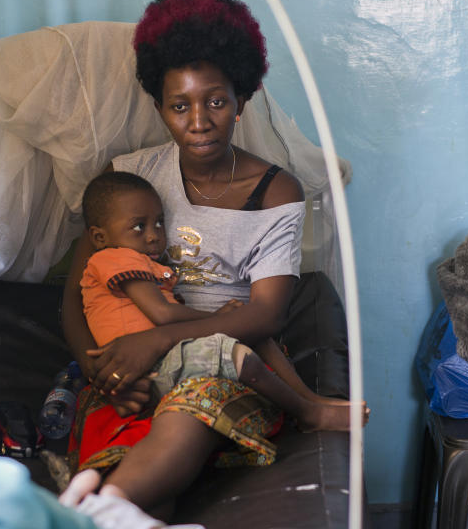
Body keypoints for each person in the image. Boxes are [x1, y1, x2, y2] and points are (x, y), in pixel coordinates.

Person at [61, 0, 365, 513]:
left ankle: (100, 517)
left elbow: (266, 316)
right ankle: (110, 506)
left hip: (229, 356)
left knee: (187, 411)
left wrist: (157, 343)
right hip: (128, 356)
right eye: (179, 106)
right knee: (120, 428)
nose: (198, 121)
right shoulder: (127, 179)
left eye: (216, 101)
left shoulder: (275, 192)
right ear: (159, 107)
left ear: (242, 101)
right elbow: (74, 298)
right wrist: (101, 370)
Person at [78, 169, 361, 427]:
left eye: (160, 223)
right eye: (139, 227)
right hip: (147, 365)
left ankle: (307, 396)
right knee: (238, 354)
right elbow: (162, 314)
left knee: (250, 329)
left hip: (161, 357)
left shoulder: (138, 260)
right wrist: (220, 318)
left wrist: (228, 319)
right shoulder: (116, 259)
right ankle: (307, 411)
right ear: (100, 237)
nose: (154, 235)